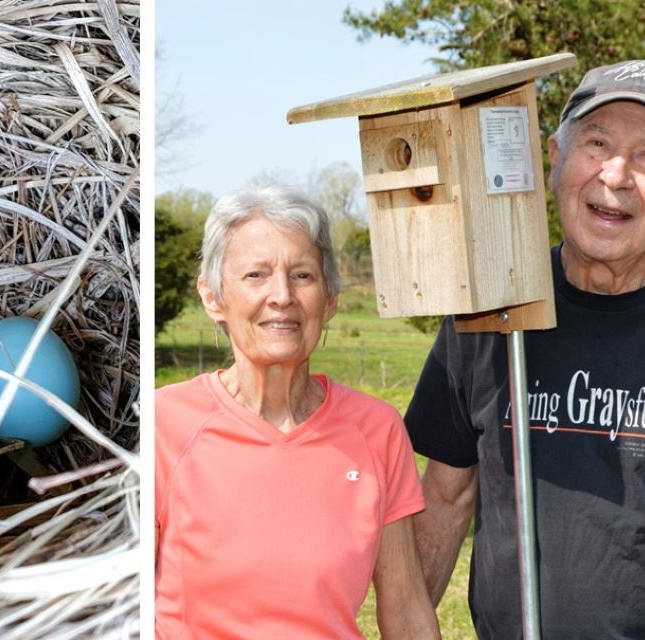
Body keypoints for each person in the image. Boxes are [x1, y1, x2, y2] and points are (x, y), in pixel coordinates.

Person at [405, 59, 645, 639]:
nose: (616, 174)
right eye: (596, 144)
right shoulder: (491, 313)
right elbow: (446, 495)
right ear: (553, 159)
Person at [156, 185, 440, 639]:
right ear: (213, 297)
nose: (282, 295)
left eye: (303, 276)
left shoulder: (377, 429)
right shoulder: (164, 424)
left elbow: (406, 610)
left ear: (330, 300)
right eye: (256, 275)